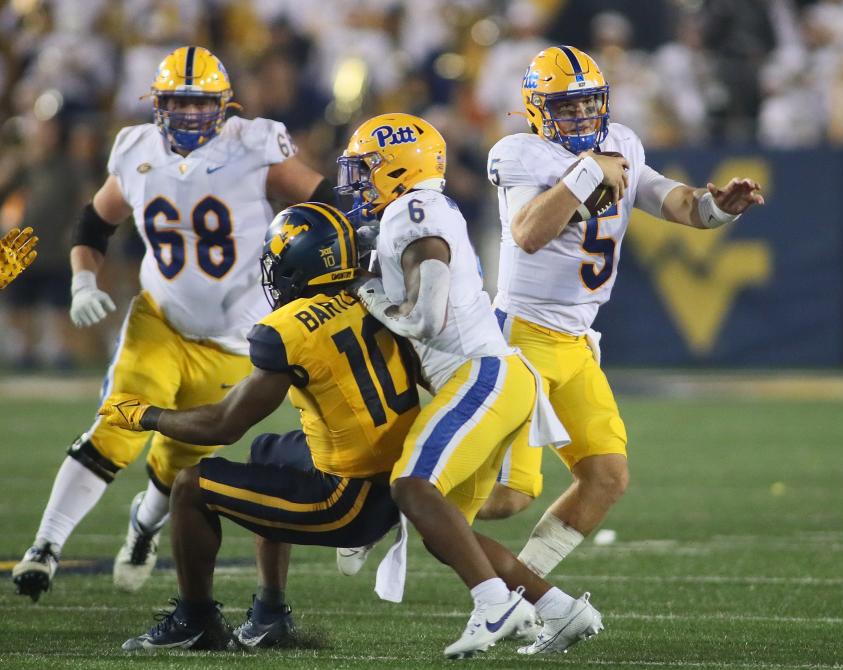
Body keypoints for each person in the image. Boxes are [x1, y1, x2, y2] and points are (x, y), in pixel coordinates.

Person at [12, 46, 338, 602]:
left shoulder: (255, 146)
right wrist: (82, 281)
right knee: (117, 425)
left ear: (224, 106)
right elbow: (94, 222)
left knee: (176, 462)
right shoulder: (135, 148)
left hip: (238, 338)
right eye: (177, 103)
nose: (187, 115)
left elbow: (323, 201)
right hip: (159, 320)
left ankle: (142, 527)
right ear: (157, 104)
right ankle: (44, 547)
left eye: (198, 104)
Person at [479, 46, 764, 576]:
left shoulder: (620, 144)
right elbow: (529, 234)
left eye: (589, 104)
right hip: (522, 340)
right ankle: (400, 500)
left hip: (577, 342)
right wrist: (585, 174)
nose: (582, 117)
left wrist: (718, 207)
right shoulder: (520, 153)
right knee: (511, 495)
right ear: (537, 110)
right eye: (566, 107)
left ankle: (517, 592)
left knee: (606, 477)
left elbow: (674, 201)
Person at [97, 202, 419, 650]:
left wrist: (145, 415)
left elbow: (223, 425)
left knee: (190, 487)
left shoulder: (288, 329)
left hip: (350, 501)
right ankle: (269, 616)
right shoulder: (369, 295)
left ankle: (195, 623)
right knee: (267, 450)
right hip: (398, 476)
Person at [340, 112, 602, 658]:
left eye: (367, 168)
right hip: (493, 377)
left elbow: (426, 320)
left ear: (397, 167)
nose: (359, 180)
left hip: (480, 375)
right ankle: (560, 610)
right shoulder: (418, 209)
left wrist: (371, 294)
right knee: (445, 529)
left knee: (413, 487)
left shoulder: (413, 211)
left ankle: (496, 604)